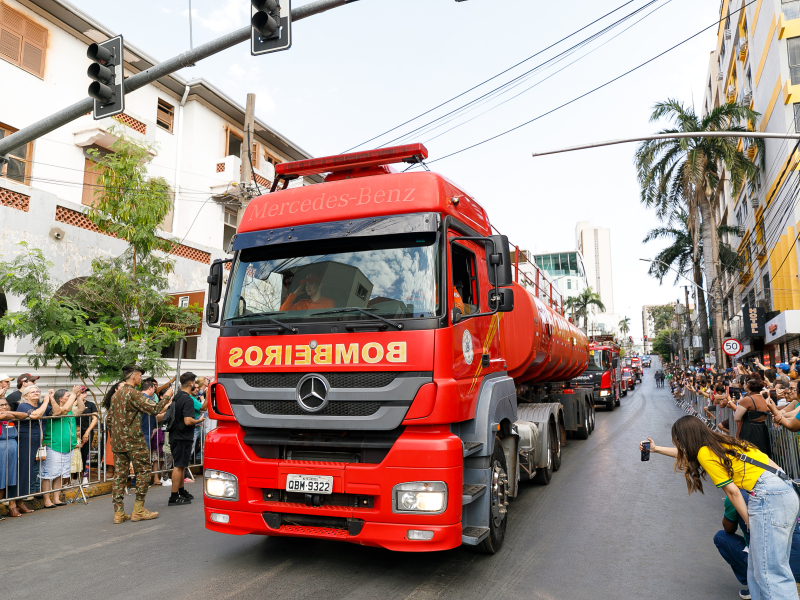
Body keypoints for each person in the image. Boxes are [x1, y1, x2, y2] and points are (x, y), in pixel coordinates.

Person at [642, 416, 800, 599]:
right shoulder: (725, 443)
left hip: (768, 496)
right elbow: (771, 465)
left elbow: (733, 493)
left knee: (769, 571)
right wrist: (656, 449)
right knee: (761, 566)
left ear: (684, 438)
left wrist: (749, 522)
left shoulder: (705, 452)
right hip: (785, 489)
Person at [107, 365, 170, 524]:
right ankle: (138, 509)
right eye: (140, 376)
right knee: (144, 472)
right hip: (134, 441)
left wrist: (116, 436)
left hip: (118, 442)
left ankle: (118, 513)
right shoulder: (133, 393)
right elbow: (155, 409)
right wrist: (167, 397)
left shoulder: (116, 395)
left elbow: (108, 419)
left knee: (119, 476)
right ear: (134, 376)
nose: (141, 379)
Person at [714, 488, 800, 599]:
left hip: (773, 562)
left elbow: (729, 529)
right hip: (791, 558)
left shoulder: (738, 495)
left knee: (720, 537)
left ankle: (756, 586)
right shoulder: (787, 489)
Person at [41, 386, 84, 507]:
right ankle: (46, 500)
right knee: (49, 474)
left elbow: (81, 409)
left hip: (68, 446)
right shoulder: (56, 410)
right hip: (54, 446)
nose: (70, 397)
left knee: (60, 474)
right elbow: (63, 410)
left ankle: (56, 498)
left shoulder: (70, 409)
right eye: (68, 396)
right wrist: (74, 395)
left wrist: (78, 397)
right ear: (60, 399)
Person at [16, 386, 59, 506]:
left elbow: (57, 412)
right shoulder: (23, 406)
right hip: (26, 439)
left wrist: (51, 399)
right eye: (33, 392)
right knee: (24, 469)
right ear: (26, 396)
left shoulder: (41, 405)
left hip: (38, 440)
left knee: (32, 469)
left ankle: (22, 498)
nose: (36, 393)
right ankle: (18, 500)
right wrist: (45, 402)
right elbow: (35, 415)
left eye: (38, 391)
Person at [167, 372, 205, 506]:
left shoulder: (177, 396)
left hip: (176, 435)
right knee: (178, 466)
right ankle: (173, 497)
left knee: (182, 465)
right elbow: (188, 421)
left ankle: (181, 491)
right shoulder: (187, 399)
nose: (196, 385)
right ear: (191, 383)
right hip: (182, 436)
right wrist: (198, 420)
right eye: (195, 382)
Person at [0, 398, 31, 518]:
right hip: (2, 447)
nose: (4, 406)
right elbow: (2, 416)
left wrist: (8, 413)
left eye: (6, 404)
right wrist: (7, 414)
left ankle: (12, 505)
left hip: (12, 446)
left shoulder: (9, 414)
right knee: (1, 478)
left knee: (10, 477)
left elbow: (24, 415)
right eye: (1, 405)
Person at [139, 378, 172, 486]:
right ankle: (141, 482)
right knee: (143, 458)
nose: (155, 391)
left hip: (145, 431)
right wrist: (167, 399)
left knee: (144, 458)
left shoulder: (139, 397)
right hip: (144, 431)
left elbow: (156, 412)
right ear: (150, 388)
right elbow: (157, 410)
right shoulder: (146, 398)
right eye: (154, 388)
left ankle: (141, 481)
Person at [734, 378, 773, 458]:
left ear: (748, 385)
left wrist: (739, 403)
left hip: (750, 431)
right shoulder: (762, 397)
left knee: (750, 456)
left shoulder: (747, 399)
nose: (743, 385)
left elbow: (736, 418)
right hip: (762, 430)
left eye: (744, 383)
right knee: (762, 456)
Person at [75, 387, 97, 485]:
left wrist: (87, 432)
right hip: (73, 432)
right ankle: (72, 477)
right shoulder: (73, 404)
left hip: (86, 431)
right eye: (82, 392)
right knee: (73, 455)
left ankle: (85, 476)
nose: (85, 394)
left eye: (85, 392)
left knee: (85, 454)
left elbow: (95, 419)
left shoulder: (91, 405)